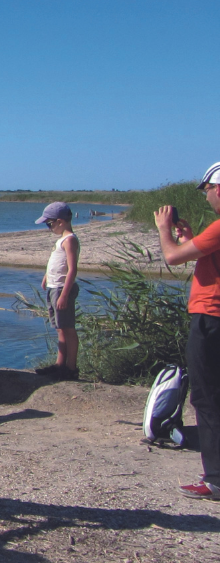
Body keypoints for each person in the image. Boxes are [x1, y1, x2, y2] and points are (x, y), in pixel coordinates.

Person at [155, 161, 220, 501]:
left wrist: (165, 229)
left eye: (207, 190)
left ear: (219, 189)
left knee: (207, 398)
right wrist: (191, 240)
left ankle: (215, 479)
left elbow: (172, 258)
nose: (207, 196)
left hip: (211, 318)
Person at [35, 202, 80, 380]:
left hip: (62, 289)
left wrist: (64, 294)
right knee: (60, 327)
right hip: (54, 287)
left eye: (49, 224)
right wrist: (46, 276)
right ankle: (59, 364)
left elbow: (72, 269)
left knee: (68, 328)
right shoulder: (61, 239)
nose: (49, 228)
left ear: (60, 222)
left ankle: (71, 368)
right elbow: (55, 263)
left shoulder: (70, 240)